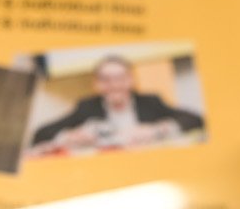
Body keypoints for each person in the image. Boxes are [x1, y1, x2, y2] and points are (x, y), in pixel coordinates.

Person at [30, 55, 204, 151]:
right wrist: (71, 136)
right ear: (96, 84)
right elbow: (40, 134)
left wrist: (157, 130)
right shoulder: (87, 107)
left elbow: (196, 119)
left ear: (131, 80)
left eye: (120, 78)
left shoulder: (150, 101)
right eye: (106, 79)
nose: (114, 85)